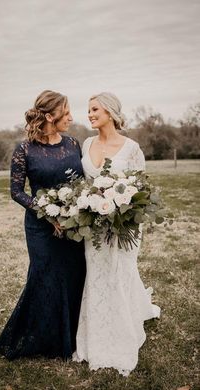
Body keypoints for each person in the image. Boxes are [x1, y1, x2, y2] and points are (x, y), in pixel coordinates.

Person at [0, 90, 86, 360]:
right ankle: (39, 339)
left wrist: (74, 214)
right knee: (44, 278)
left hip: (73, 225)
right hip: (40, 227)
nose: (70, 117)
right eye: (66, 112)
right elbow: (16, 191)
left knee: (72, 276)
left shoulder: (73, 144)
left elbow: (80, 183)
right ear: (49, 116)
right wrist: (48, 213)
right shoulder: (24, 149)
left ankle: (70, 338)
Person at [73, 92, 160, 376]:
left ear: (110, 112)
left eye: (95, 109)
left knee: (119, 273)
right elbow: (83, 186)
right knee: (97, 276)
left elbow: (140, 190)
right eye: (88, 110)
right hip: (94, 229)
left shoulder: (131, 147)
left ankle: (123, 334)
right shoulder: (85, 144)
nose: (89, 114)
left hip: (123, 226)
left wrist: (123, 214)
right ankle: (95, 336)